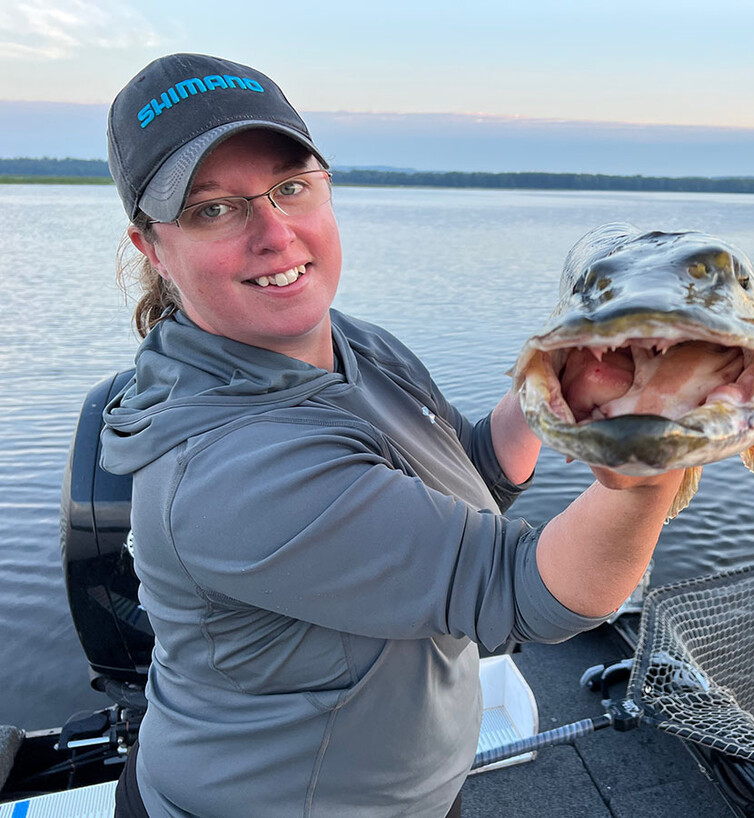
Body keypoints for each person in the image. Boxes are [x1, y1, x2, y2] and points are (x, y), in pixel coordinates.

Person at [101, 53, 682, 818]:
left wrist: (557, 373)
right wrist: (655, 452)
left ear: (326, 189)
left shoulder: (350, 342)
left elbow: (473, 475)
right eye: (215, 208)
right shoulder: (228, 472)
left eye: (290, 187)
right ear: (153, 249)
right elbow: (520, 592)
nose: (275, 233)